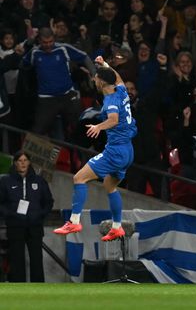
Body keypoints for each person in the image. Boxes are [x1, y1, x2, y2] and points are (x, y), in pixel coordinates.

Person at [53, 56, 138, 241]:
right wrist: (105, 65)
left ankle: (74, 221)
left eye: (96, 77)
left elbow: (114, 119)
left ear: (102, 81)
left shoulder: (110, 101)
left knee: (79, 178)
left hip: (115, 152)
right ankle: (117, 226)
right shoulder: (121, 90)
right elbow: (118, 78)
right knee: (109, 185)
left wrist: (98, 127)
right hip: (128, 151)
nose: (94, 80)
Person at [0, 151, 53, 282]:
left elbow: (48, 201)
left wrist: (40, 215)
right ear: (15, 163)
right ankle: (18, 289)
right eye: (20, 161)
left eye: (25, 160)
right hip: (15, 226)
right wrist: (10, 215)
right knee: (16, 259)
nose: (22, 163)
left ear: (29, 163)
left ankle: (38, 289)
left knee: (36, 259)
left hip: (34, 226)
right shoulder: (6, 181)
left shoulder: (39, 181)